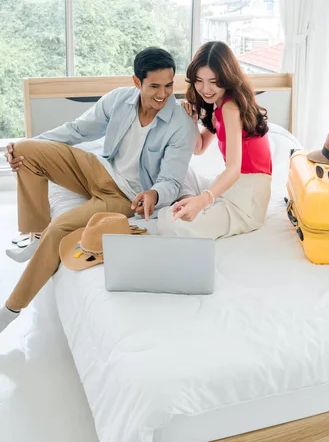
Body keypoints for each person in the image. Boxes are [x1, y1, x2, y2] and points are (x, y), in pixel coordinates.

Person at [0, 47, 198, 333]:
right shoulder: (120, 99)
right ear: (136, 82)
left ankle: (10, 309)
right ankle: (36, 232)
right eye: (154, 86)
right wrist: (35, 144)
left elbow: (171, 180)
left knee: (60, 229)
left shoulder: (182, 126)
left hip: (124, 196)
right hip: (99, 169)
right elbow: (78, 131)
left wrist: (154, 194)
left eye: (169, 86)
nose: (163, 94)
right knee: (24, 149)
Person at [157, 41, 272, 240]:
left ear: (227, 78)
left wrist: (203, 200)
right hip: (233, 184)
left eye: (213, 81)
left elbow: (234, 169)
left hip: (248, 195)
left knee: (168, 221)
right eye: (199, 80)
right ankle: (193, 201)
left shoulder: (231, 107)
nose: (205, 88)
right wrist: (191, 121)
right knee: (180, 170)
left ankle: (196, 203)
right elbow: (199, 148)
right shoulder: (218, 104)